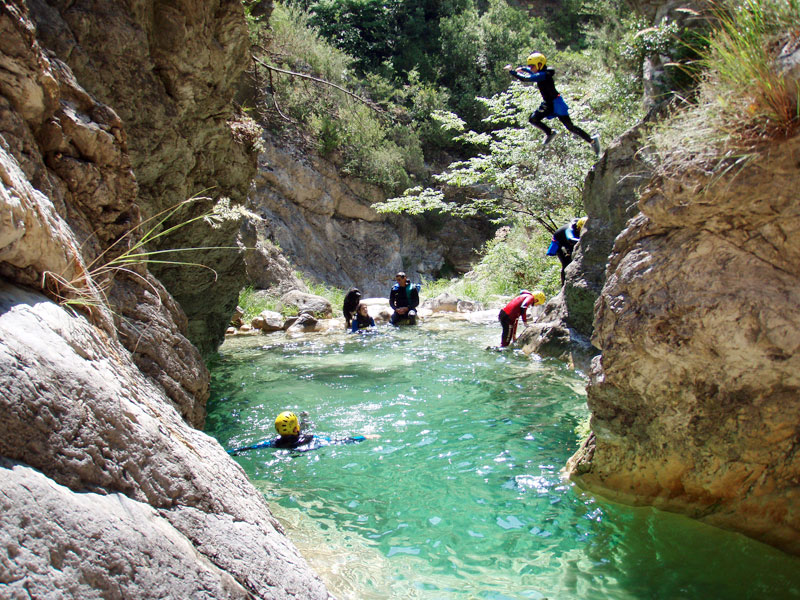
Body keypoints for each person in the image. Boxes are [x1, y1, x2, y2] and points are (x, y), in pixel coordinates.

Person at [504, 52, 601, 156]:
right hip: (548, 103)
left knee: (570, 127)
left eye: (532, 66)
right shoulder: (541, 73)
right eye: (530, 66)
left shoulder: (543, 75)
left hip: (557, 103)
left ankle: (592, 141)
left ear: (540, 65)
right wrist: (524, 68)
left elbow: (526, 78)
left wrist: (512, 71)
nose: (531, 68)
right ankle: (550, 132)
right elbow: (532, 73)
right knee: (533, 119)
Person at [227, 411, 377, 454]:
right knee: (309, 429)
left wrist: (230, 451)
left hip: (289, 446)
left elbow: (250, 448)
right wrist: (364, 436)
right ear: (295, 428)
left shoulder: (274, 443)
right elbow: (341, 441)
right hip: (306, 444)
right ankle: (305, 419)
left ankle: (304, 420)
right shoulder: (313, 439)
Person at [547, 216, 587, 286]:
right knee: (566, 263)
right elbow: (570, 239)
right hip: (560, 243)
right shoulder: (569, 229)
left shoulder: (583, 223)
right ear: (579, 228)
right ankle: (564, 284)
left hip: (570, 242)